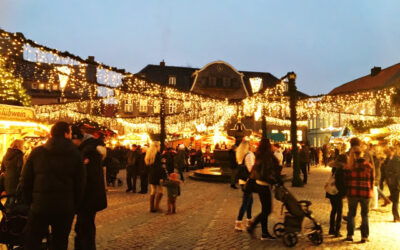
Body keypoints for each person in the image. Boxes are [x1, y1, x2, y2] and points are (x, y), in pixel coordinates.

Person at [19, 122, 85, 250]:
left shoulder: (37, 152)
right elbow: (80, 184)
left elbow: (25, 180)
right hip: (64, 208)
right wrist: (74, 205)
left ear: (51, 134)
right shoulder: (76, 155)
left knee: (33, 241)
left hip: (40, 206)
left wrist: (30, 202)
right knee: (60, 242)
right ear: (67, 134)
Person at [71, 126, 107, 250]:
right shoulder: (89, 148)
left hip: (89, 197)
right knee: (84, 226)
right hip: (90, 197)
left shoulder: (88, 151)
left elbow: (86, 177)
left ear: (77, 139)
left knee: (84, 227)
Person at [247, 138, 281, 240]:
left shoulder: (260, 154)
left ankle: (264, 233)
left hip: (259, 184)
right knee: (267, 210)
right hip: (264, 185)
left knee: (265, 210)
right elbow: (266, 173)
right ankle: (253, 226)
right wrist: (275, 181)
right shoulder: (266, 157)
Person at [344, 145, 374, 243]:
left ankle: (349, 235)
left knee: (351, 214)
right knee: (365, 214)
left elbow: (346, 180)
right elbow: (372, 180)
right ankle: (364, 236)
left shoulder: (350, 166)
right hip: (365, 193)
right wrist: (371, 190)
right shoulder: (368, 166)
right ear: (362, 154)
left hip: (352, 192)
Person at [234, 141, 255, 231]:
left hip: (242, 181)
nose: (252, 146)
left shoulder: (240, 155)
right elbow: (251, 169)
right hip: (248, 181)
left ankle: (249, 220)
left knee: (250, 201)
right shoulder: (249, 155)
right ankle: (238, 223)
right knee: (246, 202)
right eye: (250, 145)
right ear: (247, 147)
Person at [326, 154, 347, 237]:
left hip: (331, 193)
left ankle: (331, 229)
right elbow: (340, 183)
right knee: (339, 211)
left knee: (333, 210)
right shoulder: (341, 170)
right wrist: (344, 193)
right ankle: (337, 231)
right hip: (337, 193)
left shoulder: (334, 168)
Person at [146, 141, 166, 212]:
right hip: (157, 175)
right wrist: (161, 177)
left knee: (153, 191)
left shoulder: (149, 155)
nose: (160, 147)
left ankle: (152, 208)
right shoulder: (157, 155)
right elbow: (159, 168)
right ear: (157, 147)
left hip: (151, 174)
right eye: (159, 146)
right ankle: (157, 206)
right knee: (161, 191)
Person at [386, 146, 400, 222]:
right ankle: (396, 217)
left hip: (393, 182)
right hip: (395, 183)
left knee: (395, 200)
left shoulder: (392, 159)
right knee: (396, 200)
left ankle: (388, 198)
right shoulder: (395, 160)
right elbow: (397, 173)